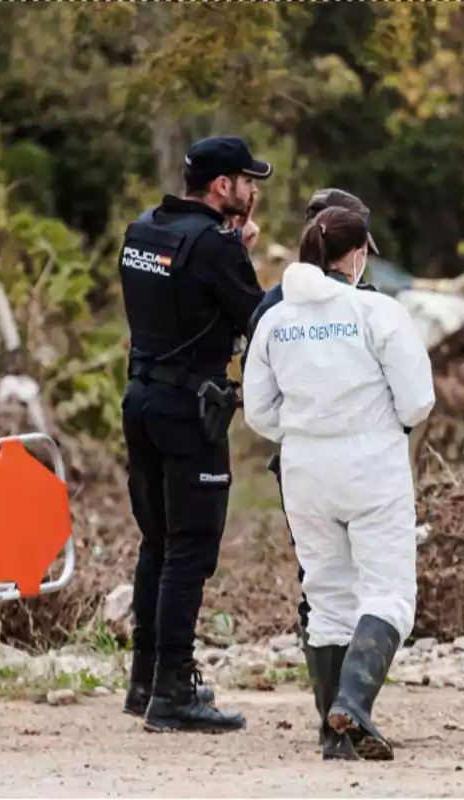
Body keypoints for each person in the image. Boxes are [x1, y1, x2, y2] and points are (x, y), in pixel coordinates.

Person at [242, 207, 435, 761]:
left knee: (325, 598)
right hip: (371, 460)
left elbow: (258, 410)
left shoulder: (276, 320)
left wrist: (305, 430)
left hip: (304, 465)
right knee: (389, 593)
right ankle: (354, 700)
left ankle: (334, 736)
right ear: (354, 256)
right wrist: (379, 423)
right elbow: (418, 399)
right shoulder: (376, 309)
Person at [118, 135, 270, 733]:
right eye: (246, 180)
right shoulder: (212, 246)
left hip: (141, 399)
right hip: (189, 408)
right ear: (221, 187)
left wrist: (233, 244)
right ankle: (175, 692)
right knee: (191, 548)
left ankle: (145, 681)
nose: (253, 191)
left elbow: (180, 298)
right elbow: (258, 320)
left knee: (156, 543)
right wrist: (241, 254)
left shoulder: (144, 230)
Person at [240, 188, 383, 751]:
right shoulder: (364, 305)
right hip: (349, 462)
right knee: (346, 584)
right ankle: (341, 711)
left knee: (322, 584)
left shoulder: (274, 306)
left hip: (299, 462)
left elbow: (261, 396)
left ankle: (340, 711)